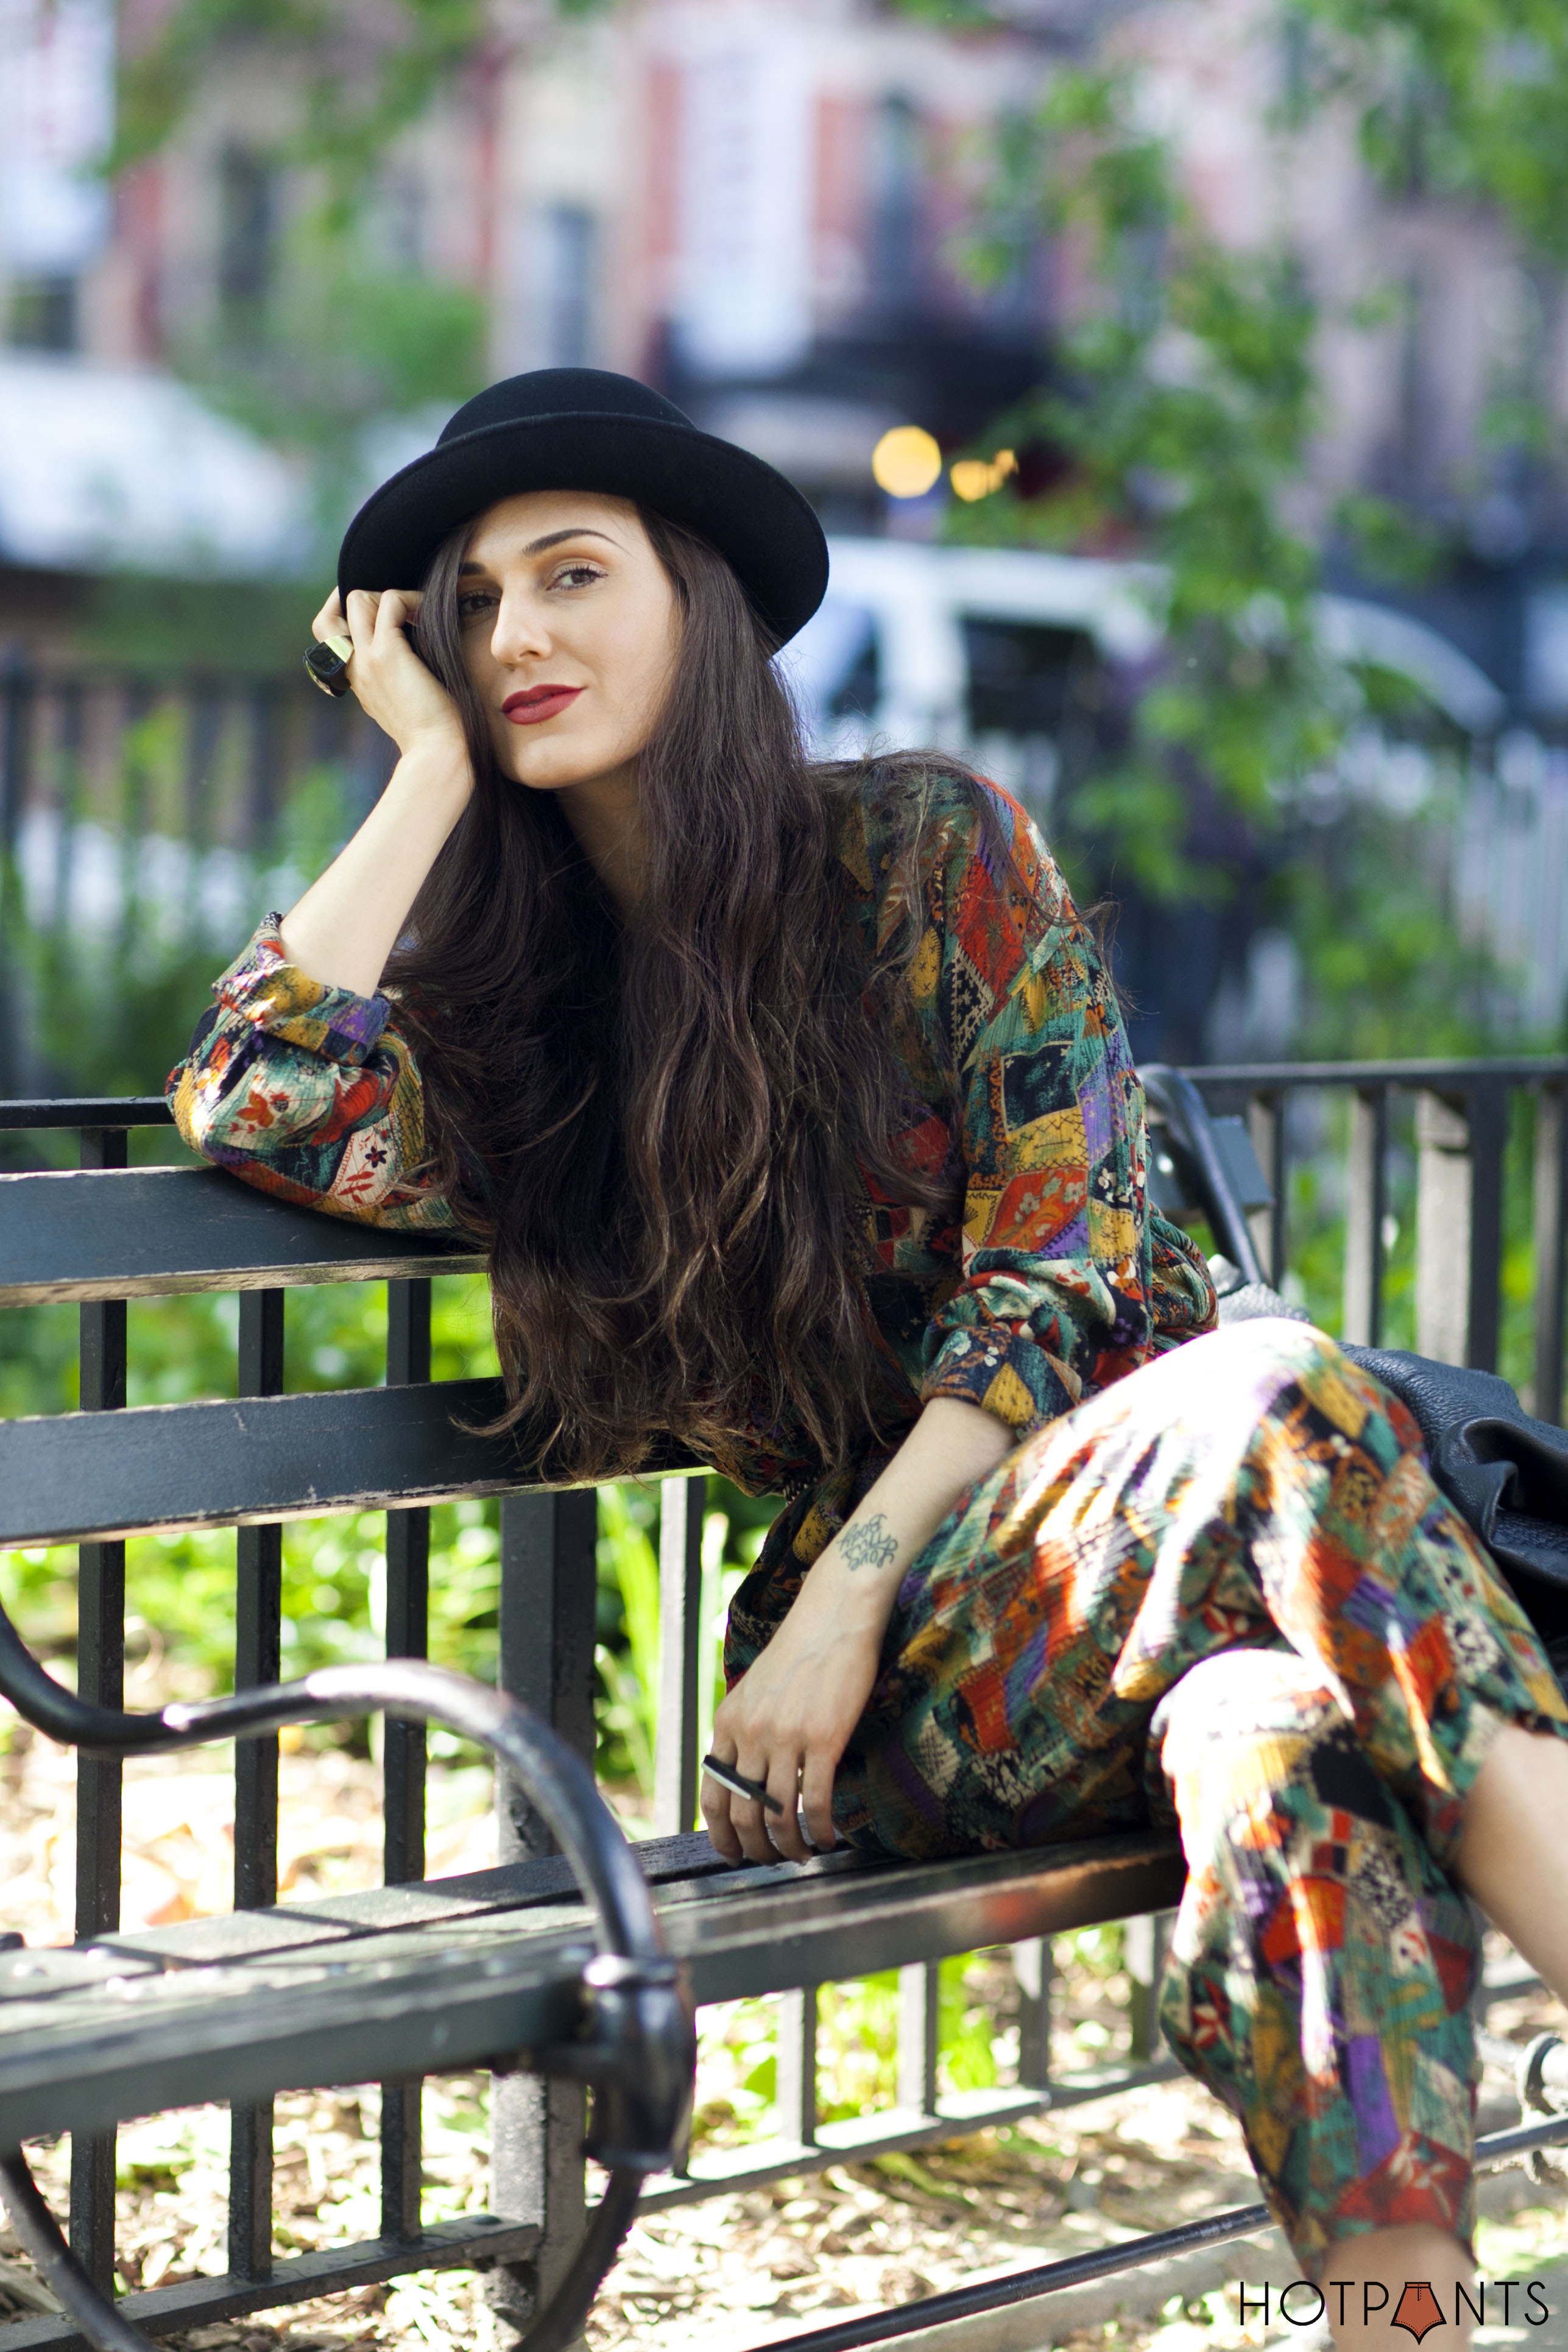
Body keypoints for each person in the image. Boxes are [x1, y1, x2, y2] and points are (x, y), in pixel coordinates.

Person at [169, 369, 1568, 2348]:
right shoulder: (520, 1030)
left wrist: (843, 1590)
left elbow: (1067, 1268)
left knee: (1276, 1738)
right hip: (908, 1707)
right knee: (1270, 1403)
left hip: (1083, 1579)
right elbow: (249, 1094)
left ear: (703, 607)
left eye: (574, 576)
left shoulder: (932, 858)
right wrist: (421, 774)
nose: (518, 639)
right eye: (472, 607)